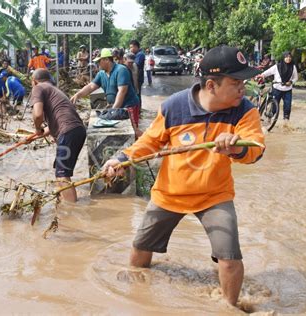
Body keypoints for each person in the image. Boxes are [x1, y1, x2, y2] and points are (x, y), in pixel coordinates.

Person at [101, 45, 265, 306]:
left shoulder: (244, 110)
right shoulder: (174, 106)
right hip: (170, 194)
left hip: (215, 195)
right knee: (140, 249)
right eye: (236, 82)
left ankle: (229, 308)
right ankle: (136, 299)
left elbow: (256, 149)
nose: (242, 88)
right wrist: (121, 159)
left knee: (230, 258)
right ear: (211, 85)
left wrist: (237, 147)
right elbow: (149, 143)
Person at [30, 69, 86, 203]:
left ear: (34, 81)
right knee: (60, 172)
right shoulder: (55, 91)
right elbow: (56, 124)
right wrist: (34, 136)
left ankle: (72, 213)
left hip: (68, 133)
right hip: (77, 131)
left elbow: (38, 115)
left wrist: (38, 128)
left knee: (62, 176)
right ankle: (63, 205)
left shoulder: (38, 88)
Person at [71, 48, 140, 127]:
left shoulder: (121, 70)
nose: (98, 64)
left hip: (128, 106)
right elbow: (91, 86)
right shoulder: (101, 74)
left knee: (134, 131)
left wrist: (112, 112)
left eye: (99, 61)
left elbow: (122, 92)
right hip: (117, 107)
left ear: (107, 60)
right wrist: (78, 95)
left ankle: (149, 138)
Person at [257, 51, 298, 122]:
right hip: (277, 89)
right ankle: (270, 118)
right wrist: (262, 75)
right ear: (283, 57)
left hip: (287, 89)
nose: (288, 58)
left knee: (287, 106)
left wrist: (291, 82)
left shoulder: (293, 67)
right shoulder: (277, 66)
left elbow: (295, 78)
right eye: (286, 57)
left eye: (290, 57)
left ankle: (286, 123)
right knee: (274, 106)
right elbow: (268, 72)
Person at [129, 40, 145, 107]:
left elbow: (135, 64)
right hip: (136, 77)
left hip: (138, 78)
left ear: (136, 47)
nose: (130, 49)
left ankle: (138, 110)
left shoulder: (140, 55)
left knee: (137, 94)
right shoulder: (136, 54)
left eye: (131, 47)